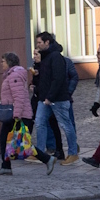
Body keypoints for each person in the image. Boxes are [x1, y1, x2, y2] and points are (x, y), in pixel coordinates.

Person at [30, 31, 79, 172]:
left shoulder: (56, 56)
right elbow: (43, 79)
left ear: (47, 42)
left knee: (65, 125)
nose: (37, 45)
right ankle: (40, 153)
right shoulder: (44, 57)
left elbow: (58, 79)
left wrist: (50, 97)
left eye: (39, 42)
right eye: (37, 42)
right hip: (44, 98)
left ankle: (73, 153)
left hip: (57, 99)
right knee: (39, 122)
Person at [0, 54, 33, 173]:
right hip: (12, 113)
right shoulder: (11, 75)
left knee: (21, 142)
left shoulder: (14, 76)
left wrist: (17, 115)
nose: (1, 64)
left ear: (9, 62)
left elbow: (19, 97)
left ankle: (47, 159)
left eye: (3, 61)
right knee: (7, 139)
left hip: (16, 114)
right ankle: (5, 166)